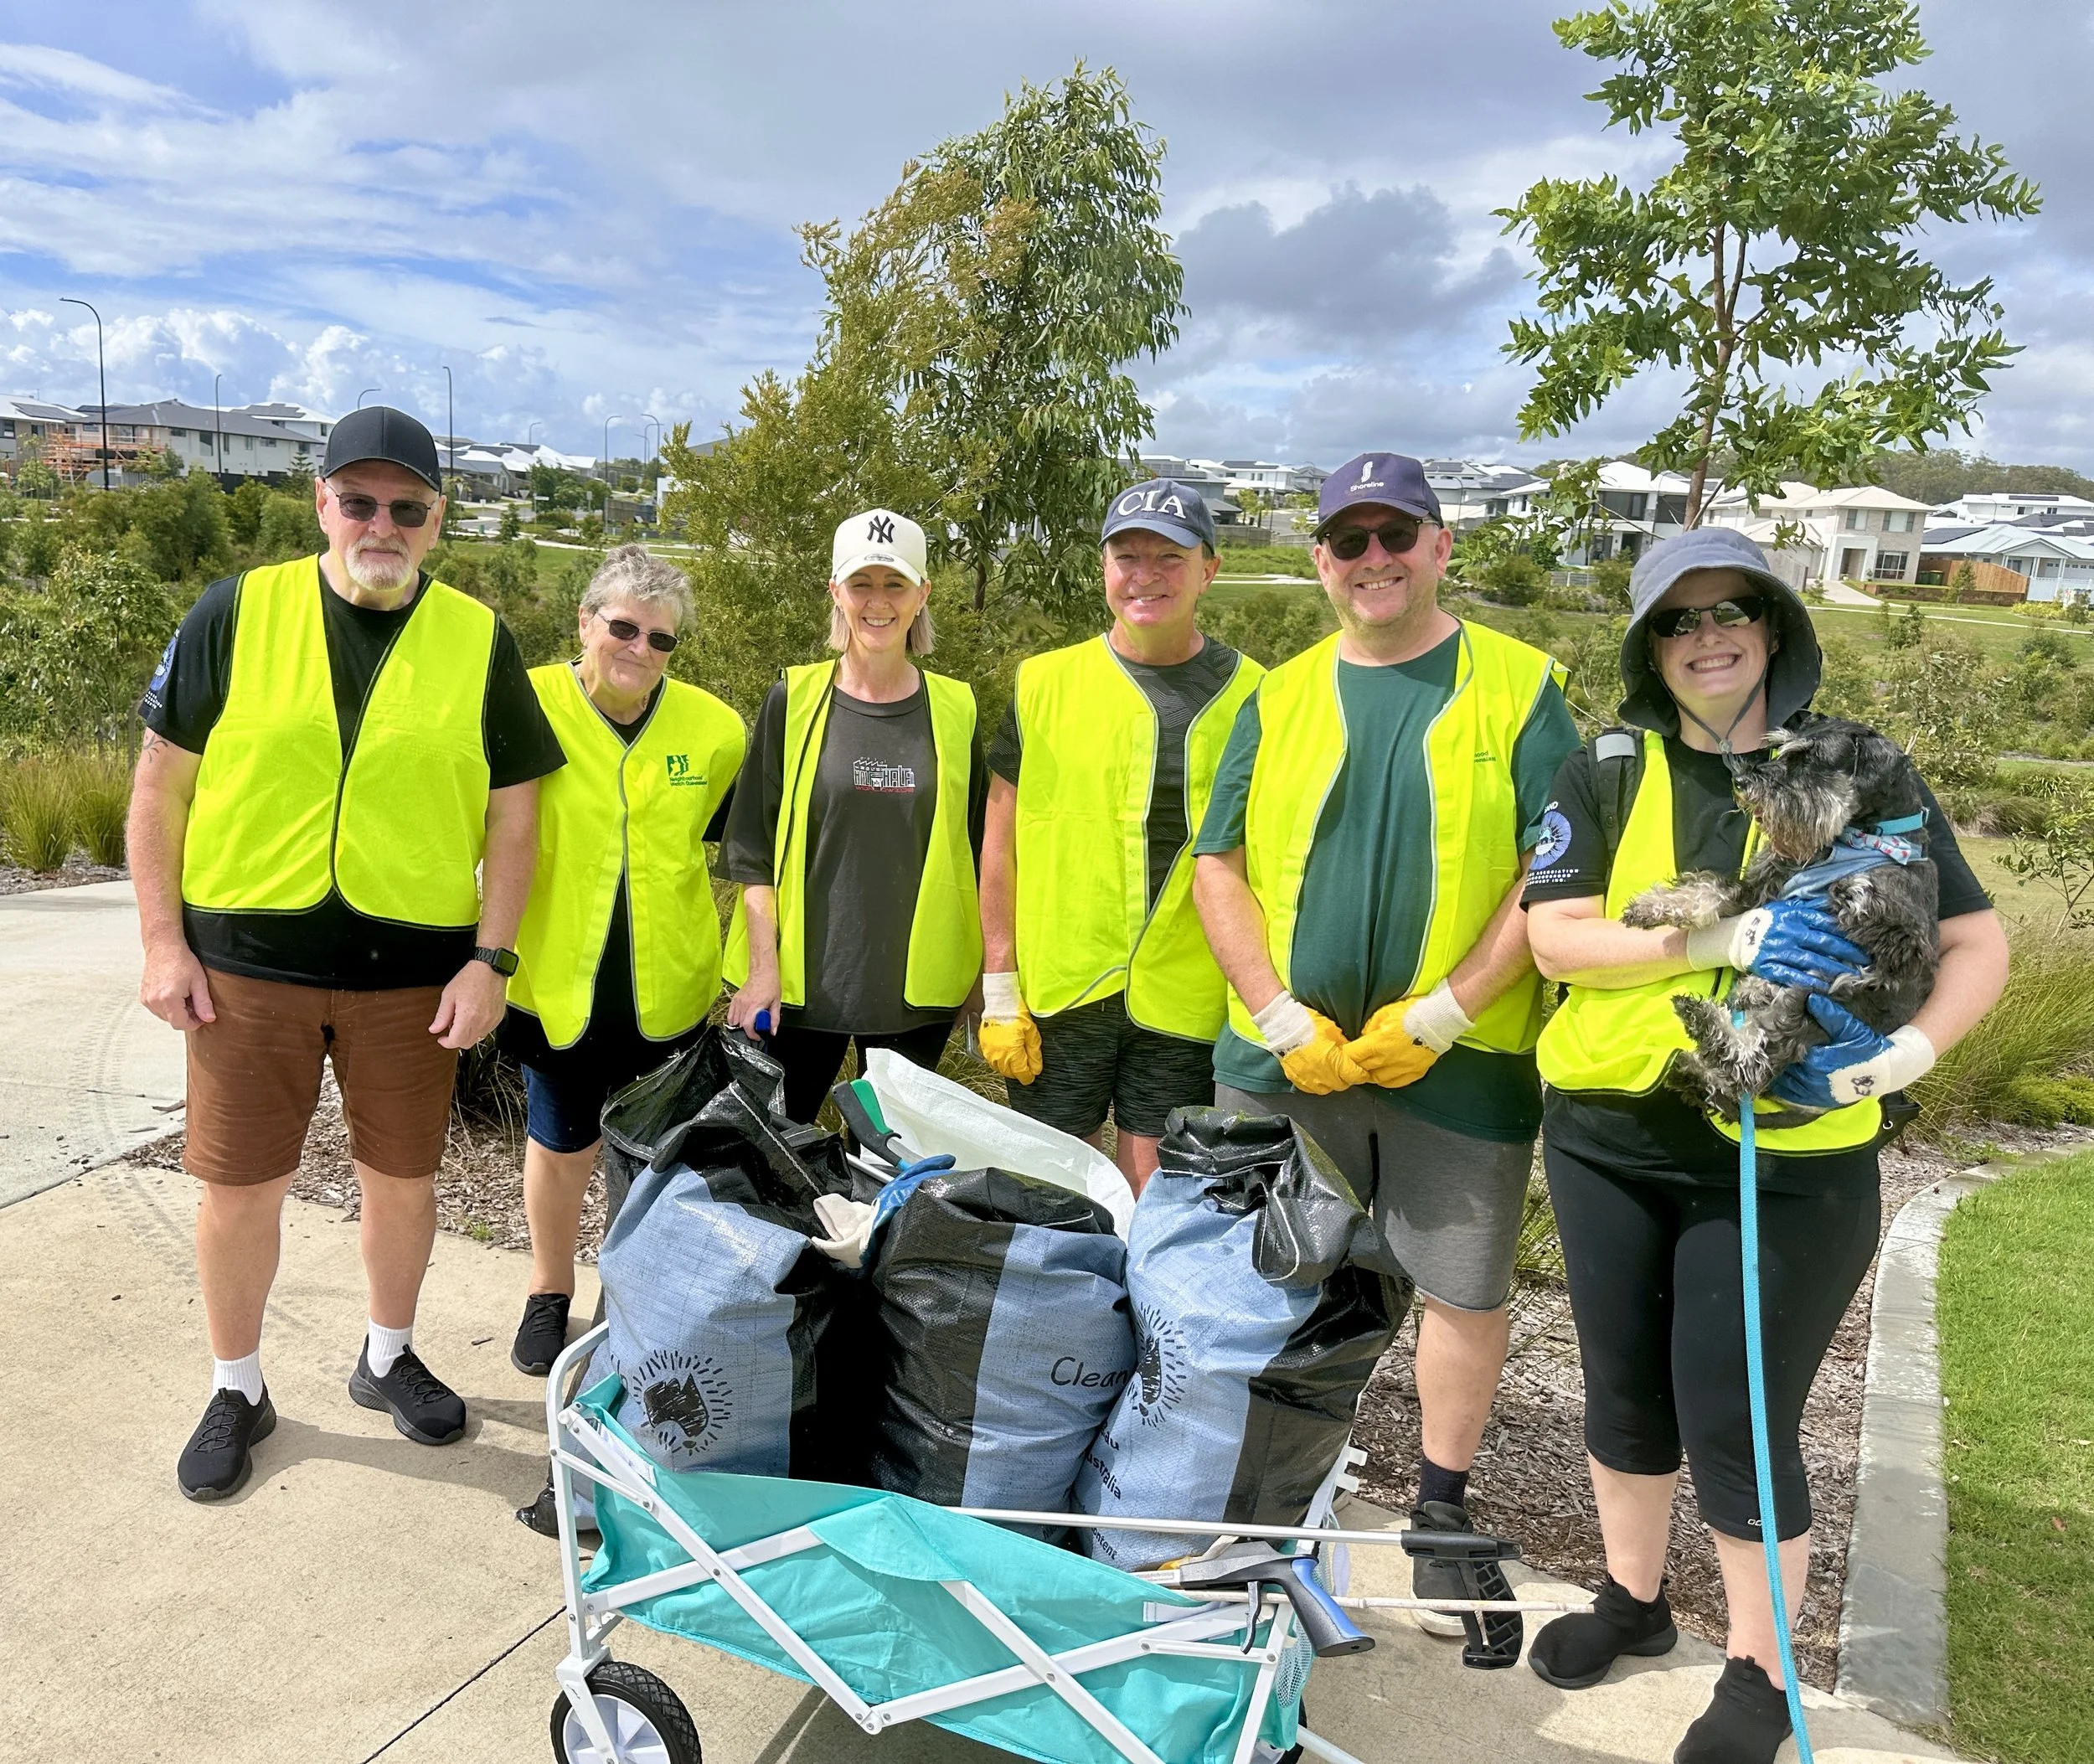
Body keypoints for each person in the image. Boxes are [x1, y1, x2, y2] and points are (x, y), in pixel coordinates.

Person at [1523, 526, 2008, 1764]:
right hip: (1608, 1136)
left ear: (1775, 627)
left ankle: (1759, 1674)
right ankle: (1632, 1602)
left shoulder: (1857, 764)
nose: (1707, 636)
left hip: (1785, 1153)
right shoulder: (1607, 768)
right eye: (1677, 620)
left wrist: (1909, 1055)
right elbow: (1556, 939)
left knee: (1734, 1415)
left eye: (1731, 609)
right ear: (1649, 647)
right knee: (1625, 1391)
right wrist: (1710, 943)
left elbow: (1974, 941)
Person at [130, 405, 565, 1502]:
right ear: (321, 503)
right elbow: (160, 785)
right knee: (240, 1190)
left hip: (412, 979)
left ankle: (387, 1355)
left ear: (436, 520)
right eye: (360, 501)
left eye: (407, 507)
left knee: (403, 1185)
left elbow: (516, 814)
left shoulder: (477, 638)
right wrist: (162, 943)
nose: (383, 524)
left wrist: (492, 960)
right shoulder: (237, 611)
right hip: (245, 972)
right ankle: (237, 1388)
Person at [1192, 451, 1581, 1631]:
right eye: (1349, 540)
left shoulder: (1521, 685)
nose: (1374, 559)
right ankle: (1230, 1505)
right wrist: (1275, 1014)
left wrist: (1446, 1012)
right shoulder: (1278, 693)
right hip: (1284, 1062)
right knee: (1252, 1284)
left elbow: (1552, 866)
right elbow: (1218, 863)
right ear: (1320, 560)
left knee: (1460, 1292)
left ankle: (1439, 1520)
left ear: (1440, 546)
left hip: (1460, 1065)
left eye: (1396, 535)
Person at [976, 481, 1262, 1193]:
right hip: (1062, 987)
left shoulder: (1260, 694)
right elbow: (1000, 843)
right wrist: (1000, 987)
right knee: (1054, 1192)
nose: (1145, 575)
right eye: (1127, 556)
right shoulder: (1042, 683)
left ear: (1209, 570)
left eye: (1170, 557)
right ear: (1103, 568)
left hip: (1190, 990)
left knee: (1156, 1190)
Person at [500, 544, 745, 1376]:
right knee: (559, 1141)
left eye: (661, 638)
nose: (640, 648)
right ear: (585, 621)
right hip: (552, 978)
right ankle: (547, 1290)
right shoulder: (526, 702)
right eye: (624, 628)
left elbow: (746, 858)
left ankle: (627, 1296)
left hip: (667, 984)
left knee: (650, 1156)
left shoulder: (715, 730)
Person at [719, 509, 988, 1122]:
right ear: (836, 592)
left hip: (917, 995)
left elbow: (976, 851)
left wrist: (983, 977)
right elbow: (753, 850)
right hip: (798, 990)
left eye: (895, 584)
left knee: (891, 1160)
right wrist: (762, 972)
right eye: (861, 583)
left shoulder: (957, 709)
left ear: (922, 595)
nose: (878, 601)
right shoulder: (792, 700)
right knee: (776, 1150)